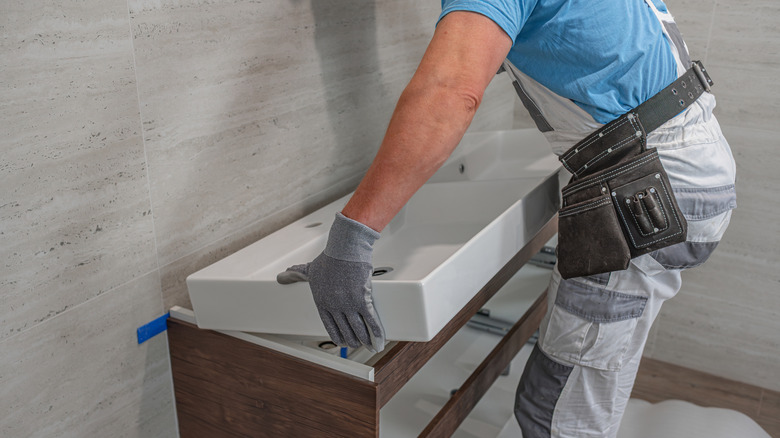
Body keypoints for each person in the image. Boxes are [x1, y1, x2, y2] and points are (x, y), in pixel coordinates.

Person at [277, 0, 737, 437]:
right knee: (593, 373)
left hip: (647, 185)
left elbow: (450, 94)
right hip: (676, 170)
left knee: (555, 414)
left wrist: (350, 239)